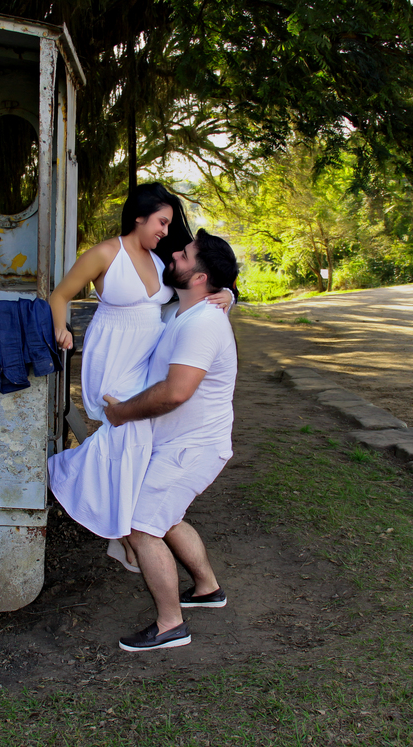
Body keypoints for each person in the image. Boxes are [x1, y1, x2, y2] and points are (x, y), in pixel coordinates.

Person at [47, 184, 228, 571]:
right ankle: (117, 524)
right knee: (129, 435)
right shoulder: (104, 254)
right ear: (139, 217)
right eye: (161, 222)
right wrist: (61, 329)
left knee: (136, 445)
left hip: (147, 363)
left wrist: (227, 292)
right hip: (113, 360)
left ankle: (124, 531)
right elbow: (59, 295)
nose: (165, 230)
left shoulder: (163, 259)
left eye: (168, 224)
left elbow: (200, 282)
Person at [101, 229, 239, 651]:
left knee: (141, 527)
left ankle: (170, 625)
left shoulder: (203, 323)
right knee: (167, 517)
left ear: (200, 277)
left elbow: (176, 392)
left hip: (192, 449)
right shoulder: (181, 311)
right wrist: (230, 292)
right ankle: (206, 589)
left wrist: (121, 413)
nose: (173, 255)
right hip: (180, 445)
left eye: (183, 254)